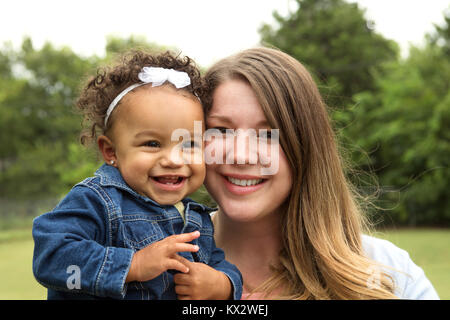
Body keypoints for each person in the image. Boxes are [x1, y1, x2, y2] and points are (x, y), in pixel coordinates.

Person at [202, 46, 439, 299]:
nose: (241, 155)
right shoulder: (160, 269)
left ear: (306, 145)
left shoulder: (389, 275)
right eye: (222, 130)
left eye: (267, 134)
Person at [32, 50, 242, 300]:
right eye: (152, 144)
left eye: (189, 145)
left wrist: (223, 284)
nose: (173, 160)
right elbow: (52, 259)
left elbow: (219, 262)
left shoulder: (197, 218)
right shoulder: (97, 201)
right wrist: (132, 265)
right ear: (111, 151)